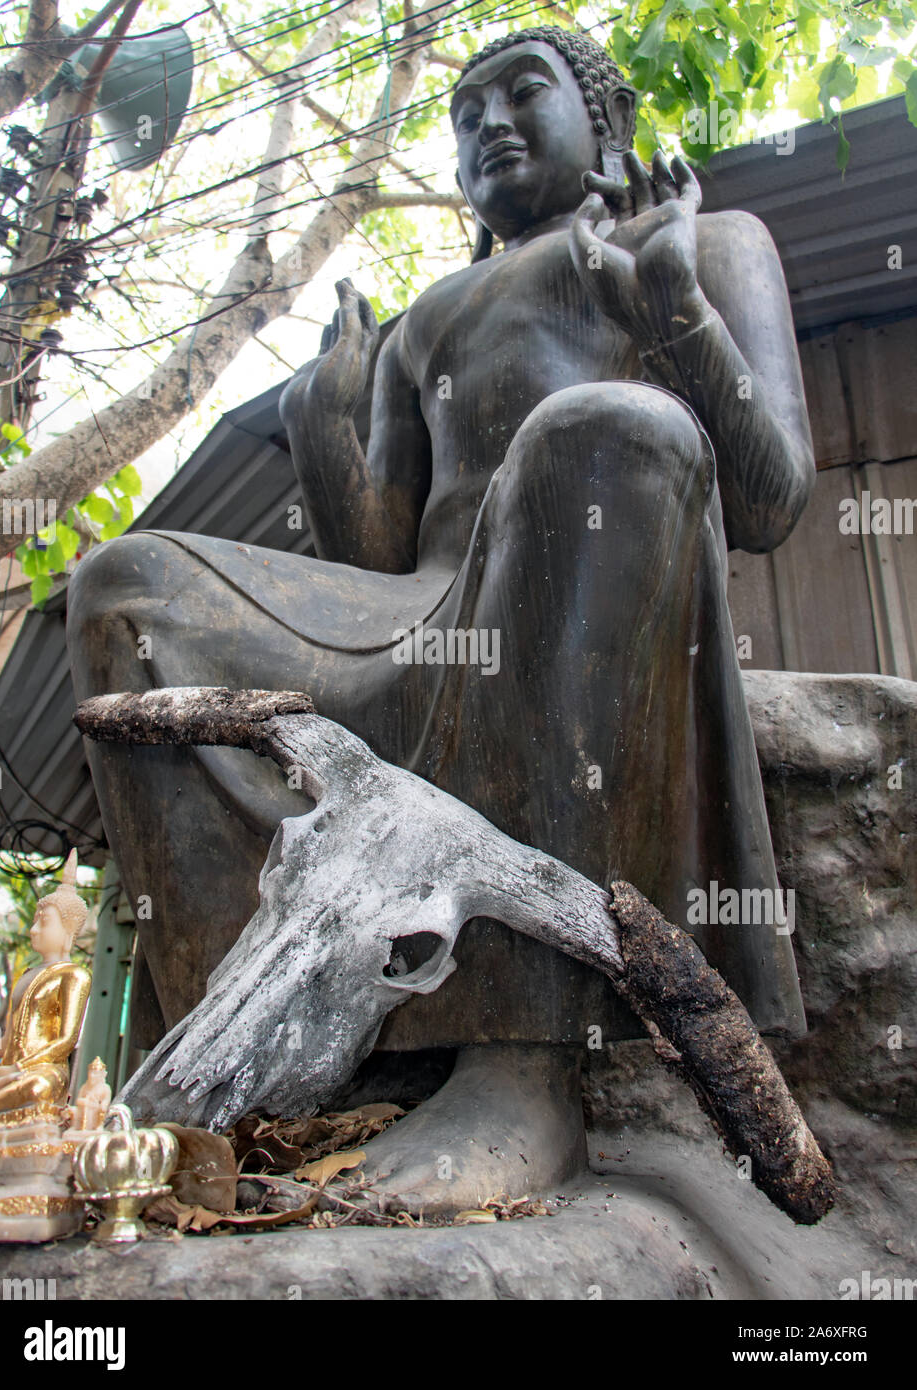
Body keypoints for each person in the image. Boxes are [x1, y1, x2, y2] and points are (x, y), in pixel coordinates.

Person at [67, 25, 814, 1213]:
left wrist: (671, 304)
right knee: (126, 580)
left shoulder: (702, 241)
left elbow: (771, 495)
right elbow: (371, 552)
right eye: (465, 114)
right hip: (418, 612)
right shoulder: (428, 315)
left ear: (603, 122)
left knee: (609, 428)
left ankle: (523, 1068)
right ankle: (244, 1057)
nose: (490, 125)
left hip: (575, 593)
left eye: (526, 93)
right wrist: (324, 423)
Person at [0, 849, 90, 1115]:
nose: (34, 929)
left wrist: (18, 1068)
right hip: (5, 1069)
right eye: (36, 921)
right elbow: (7, 1040)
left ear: (68, 930)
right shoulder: (27, 974)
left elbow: (65, 1041)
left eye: (44, 922)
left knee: (36, 1087)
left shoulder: (74, 974)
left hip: (42, 1071)